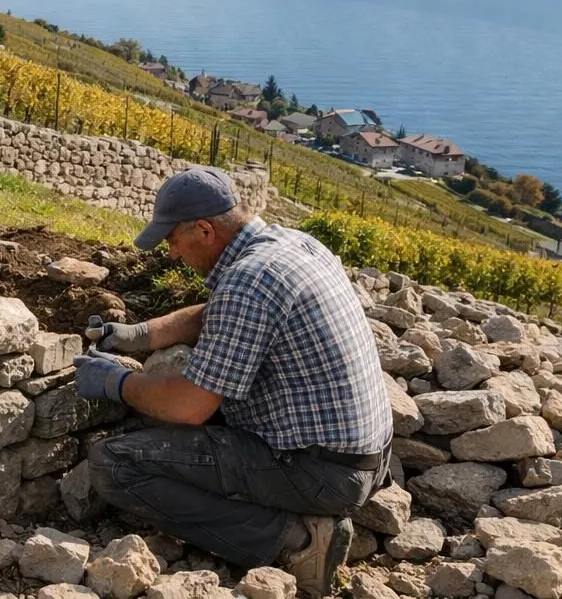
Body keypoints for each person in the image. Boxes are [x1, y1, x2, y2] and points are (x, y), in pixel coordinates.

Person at [72, 166, 392, 598]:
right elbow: (213, 315)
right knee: (161, 433)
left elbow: (190, 406)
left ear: (204, 230)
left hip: (322, 472)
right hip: (363, 459)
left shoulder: (249, 280)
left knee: (115, 463)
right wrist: (140, 335)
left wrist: (118, 382)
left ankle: (296, 538)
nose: (170, 254)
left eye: (172, 241)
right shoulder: (288, 244)